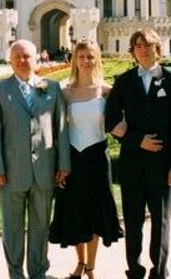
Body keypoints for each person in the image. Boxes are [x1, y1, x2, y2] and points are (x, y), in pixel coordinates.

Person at [0, 39, 70, 279]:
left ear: (37, 59)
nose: (23, 61)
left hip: (45, 170)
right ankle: (15, 273)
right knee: (12, 229)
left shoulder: (52, 88)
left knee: (40, 227)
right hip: (10, 173)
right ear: (10, 60)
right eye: (18, 57)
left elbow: (60, 127)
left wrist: (63, 164)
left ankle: (38, 272)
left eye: (27, 56)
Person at [105, 28, 171, 279]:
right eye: (137, 46)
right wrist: (138, 140)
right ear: (133, 51)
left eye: (147, 45)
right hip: (133, 163)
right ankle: (135, 269)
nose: (142, 49)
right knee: (132, 220)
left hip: (162, 166)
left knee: (161, 222)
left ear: (157, 48)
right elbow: (110, 120)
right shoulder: (124, 80)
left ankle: (159, 270)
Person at [49, 39, 124, 279]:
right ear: (74, 60)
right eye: (81, 57)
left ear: (97, 59)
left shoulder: (107, 90)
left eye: (90, 56)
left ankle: (91, 267)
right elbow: (56, 128)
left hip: (97, 158)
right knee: (75, 212)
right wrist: (60, 164)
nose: (85, 61)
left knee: (94, 215)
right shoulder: (65, 91)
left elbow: (120, 123)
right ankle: (79, 263)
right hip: (73, 157)